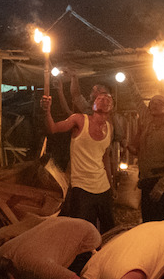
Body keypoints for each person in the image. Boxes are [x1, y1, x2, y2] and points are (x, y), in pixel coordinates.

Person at [42, 86, 115, 232]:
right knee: (82, 230)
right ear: (93, 104)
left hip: (103, 187)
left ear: (112, 107)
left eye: (108, 99)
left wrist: (111, 182)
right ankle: (84, 256)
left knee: (109, 230)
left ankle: (107, 255)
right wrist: (47, 111)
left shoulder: (109, 128)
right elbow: (53, 128)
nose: (104, 100)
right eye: (100, 98)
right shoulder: (79, 120)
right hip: (82, 187)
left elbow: (105, 157)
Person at [129, 95, 164, 222]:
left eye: (158, 103)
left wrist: (160, 187)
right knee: (149, 224)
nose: (154, 105)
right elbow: (138, 101)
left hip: (160, 184)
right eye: (152, 103)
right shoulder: (147, 128)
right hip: (147, 182)